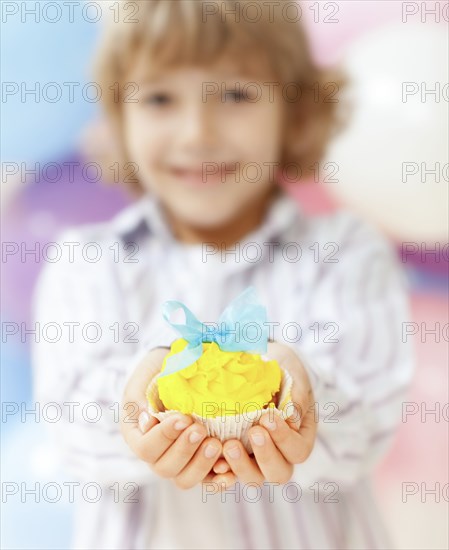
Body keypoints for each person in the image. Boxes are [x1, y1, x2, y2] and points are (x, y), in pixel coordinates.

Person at [32, 1, 413, 548]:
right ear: (120, 116)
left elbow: (363, 427)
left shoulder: (346, 252)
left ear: (294, 109)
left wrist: (300, 395)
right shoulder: (89, 262)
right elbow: (73, 424)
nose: (197, 133)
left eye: (235, 94)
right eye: (160, 98)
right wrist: (140, 405)